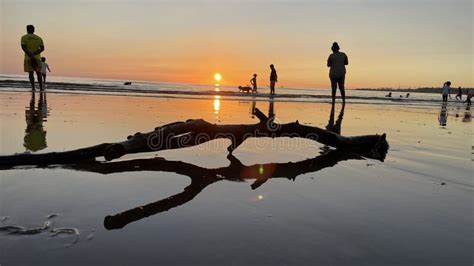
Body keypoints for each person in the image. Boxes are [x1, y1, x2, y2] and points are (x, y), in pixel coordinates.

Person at [21, 25, 45, 91]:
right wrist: (34, 54)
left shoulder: (24, 37)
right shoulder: (39, 38)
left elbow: (23, 47)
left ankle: (33, 88)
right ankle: (41, 88)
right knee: (38, 73)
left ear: (27, 30)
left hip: (28, 58)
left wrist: (30, 54)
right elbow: (42, 48)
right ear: (34, 30)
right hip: (37, 57)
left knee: (31, 73)